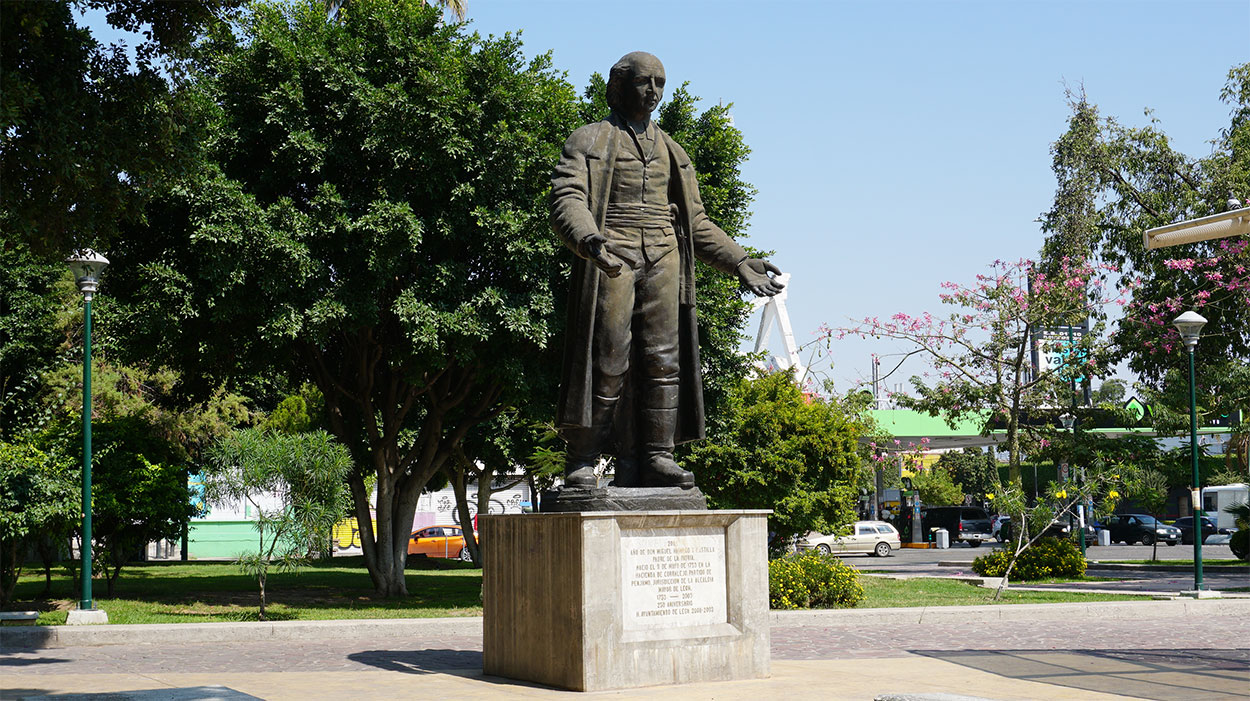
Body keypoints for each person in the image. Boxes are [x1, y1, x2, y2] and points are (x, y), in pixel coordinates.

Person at [550, 51, 783, 489]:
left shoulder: (674, 152)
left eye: (660, 82)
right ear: (620, 85)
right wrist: (588, 238)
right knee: (608, 358)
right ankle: (582, 458)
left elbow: (696, 222)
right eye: (644, 82)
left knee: (663, 361)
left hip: (663, 255)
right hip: (611, 254)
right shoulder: (589, 140)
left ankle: (658, 455)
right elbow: (568, 197)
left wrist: (738, 261)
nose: (653, 91)